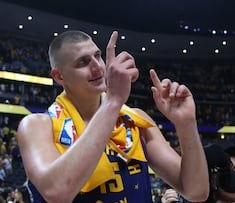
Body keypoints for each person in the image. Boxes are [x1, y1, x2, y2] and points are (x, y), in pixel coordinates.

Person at [17, 30, 209, 203]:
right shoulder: (37, 126)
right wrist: (113, 102)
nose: (97, 67)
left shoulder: (136, 120)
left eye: (98, 56)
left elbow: (196, 191)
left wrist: (186, 124)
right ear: (59, 76)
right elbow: (57, 193)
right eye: (83, 62)